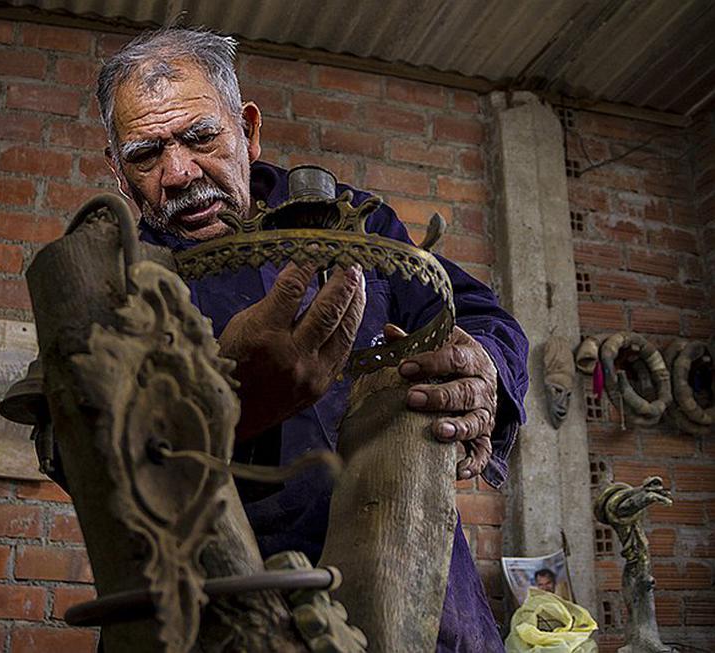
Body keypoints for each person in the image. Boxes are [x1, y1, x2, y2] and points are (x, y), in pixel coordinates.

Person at [92, 27, 529, 652]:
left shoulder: (354, 222)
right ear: (118, 170)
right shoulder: (111, 284)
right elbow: (86, 458)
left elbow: (484, 317)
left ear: (247, 130)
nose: (180, 172)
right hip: (227, 614)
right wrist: (228, 407)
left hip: (424, 598)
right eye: (145, 155)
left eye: (201, 137)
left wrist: (484, 367)